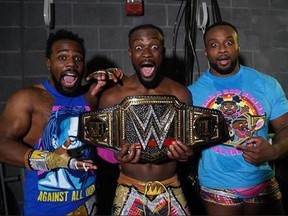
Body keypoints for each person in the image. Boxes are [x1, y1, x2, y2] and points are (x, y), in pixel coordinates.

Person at [0, 29, 122, 215]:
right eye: (62, 58)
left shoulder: (90, 96)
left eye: (77, 59)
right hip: (47, 209)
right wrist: (50, 160)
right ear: (49, 64)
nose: (71, 64)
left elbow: (130, 89)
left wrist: (117, 75)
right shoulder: (28, 98)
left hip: (89, 205)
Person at [187, 21, 288, 215]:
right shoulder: (192, 94)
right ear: (206, 52)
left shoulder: (267, 84)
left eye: (228, 43)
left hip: (262, 181)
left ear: (238, 47)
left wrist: (274, 150)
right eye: (214, 45)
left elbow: (285, 127)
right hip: (216, 185)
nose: (222, 50)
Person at [97, 24, 193, 215]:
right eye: (139, 47)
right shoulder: (112, 96)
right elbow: (101, 148)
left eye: (154, 47)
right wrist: (115, 156)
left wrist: (187, 155)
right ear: (130, 53)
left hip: (170, 186)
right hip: (128, 186)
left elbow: (190, 144)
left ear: (163, 53)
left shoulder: (180, 93)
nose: (147, 54)